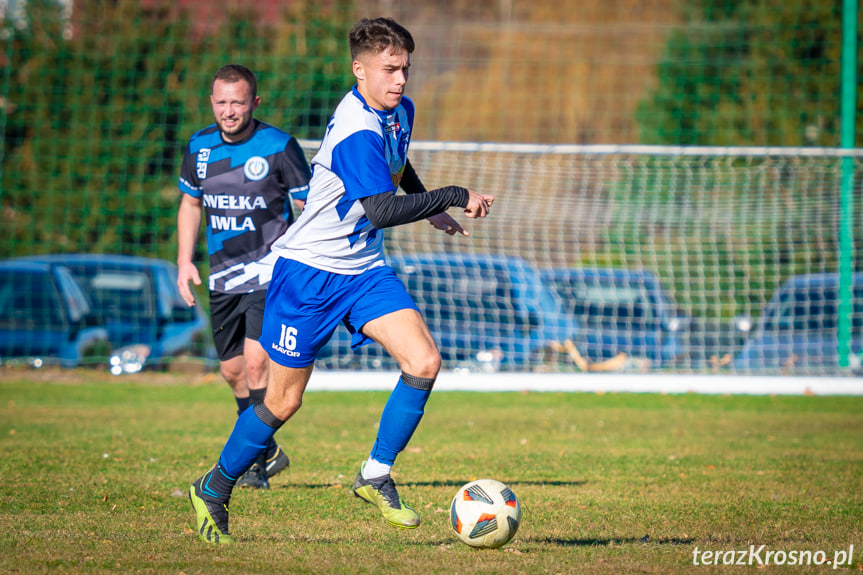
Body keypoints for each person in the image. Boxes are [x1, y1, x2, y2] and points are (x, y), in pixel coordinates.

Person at [188, 17, 495, 544]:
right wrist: (450, 195)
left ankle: (375, 474)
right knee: (283, 402)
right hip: (308, 275)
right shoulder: (355, 127)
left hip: (362, 270)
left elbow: (396, 166)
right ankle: (213, 487)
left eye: (405, 68)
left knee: (423, 361)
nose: (400, 80)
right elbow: (377, 209)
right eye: (389, 69)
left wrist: (429, 210)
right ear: (360, 70)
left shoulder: (399, 111)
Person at [177, 64, 311, 490]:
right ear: (211, 101)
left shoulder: (278, 146)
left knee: (257, 364)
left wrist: (308, 259)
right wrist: (184, 261)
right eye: (221, 102)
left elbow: (309, 206)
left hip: (271, 271)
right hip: (222, 277)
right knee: (233, 371)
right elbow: (190, 205)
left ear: (254, 102)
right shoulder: (199, 147)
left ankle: (250, 464)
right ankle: (266, 449)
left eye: (238, 102)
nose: (229, 111)